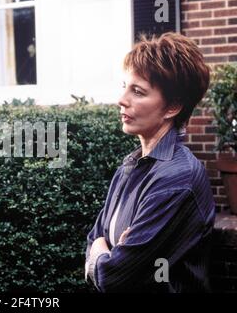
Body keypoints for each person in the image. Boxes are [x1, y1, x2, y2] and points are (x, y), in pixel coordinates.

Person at [84, 32, 215, 292]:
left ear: (172, 108)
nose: (122, 100)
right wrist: (105, 250)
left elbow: (114, 278)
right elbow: (93, 237)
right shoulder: (131, 166)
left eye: (138, 91)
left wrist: (102, 254)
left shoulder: (177, 179)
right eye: (124, 86)